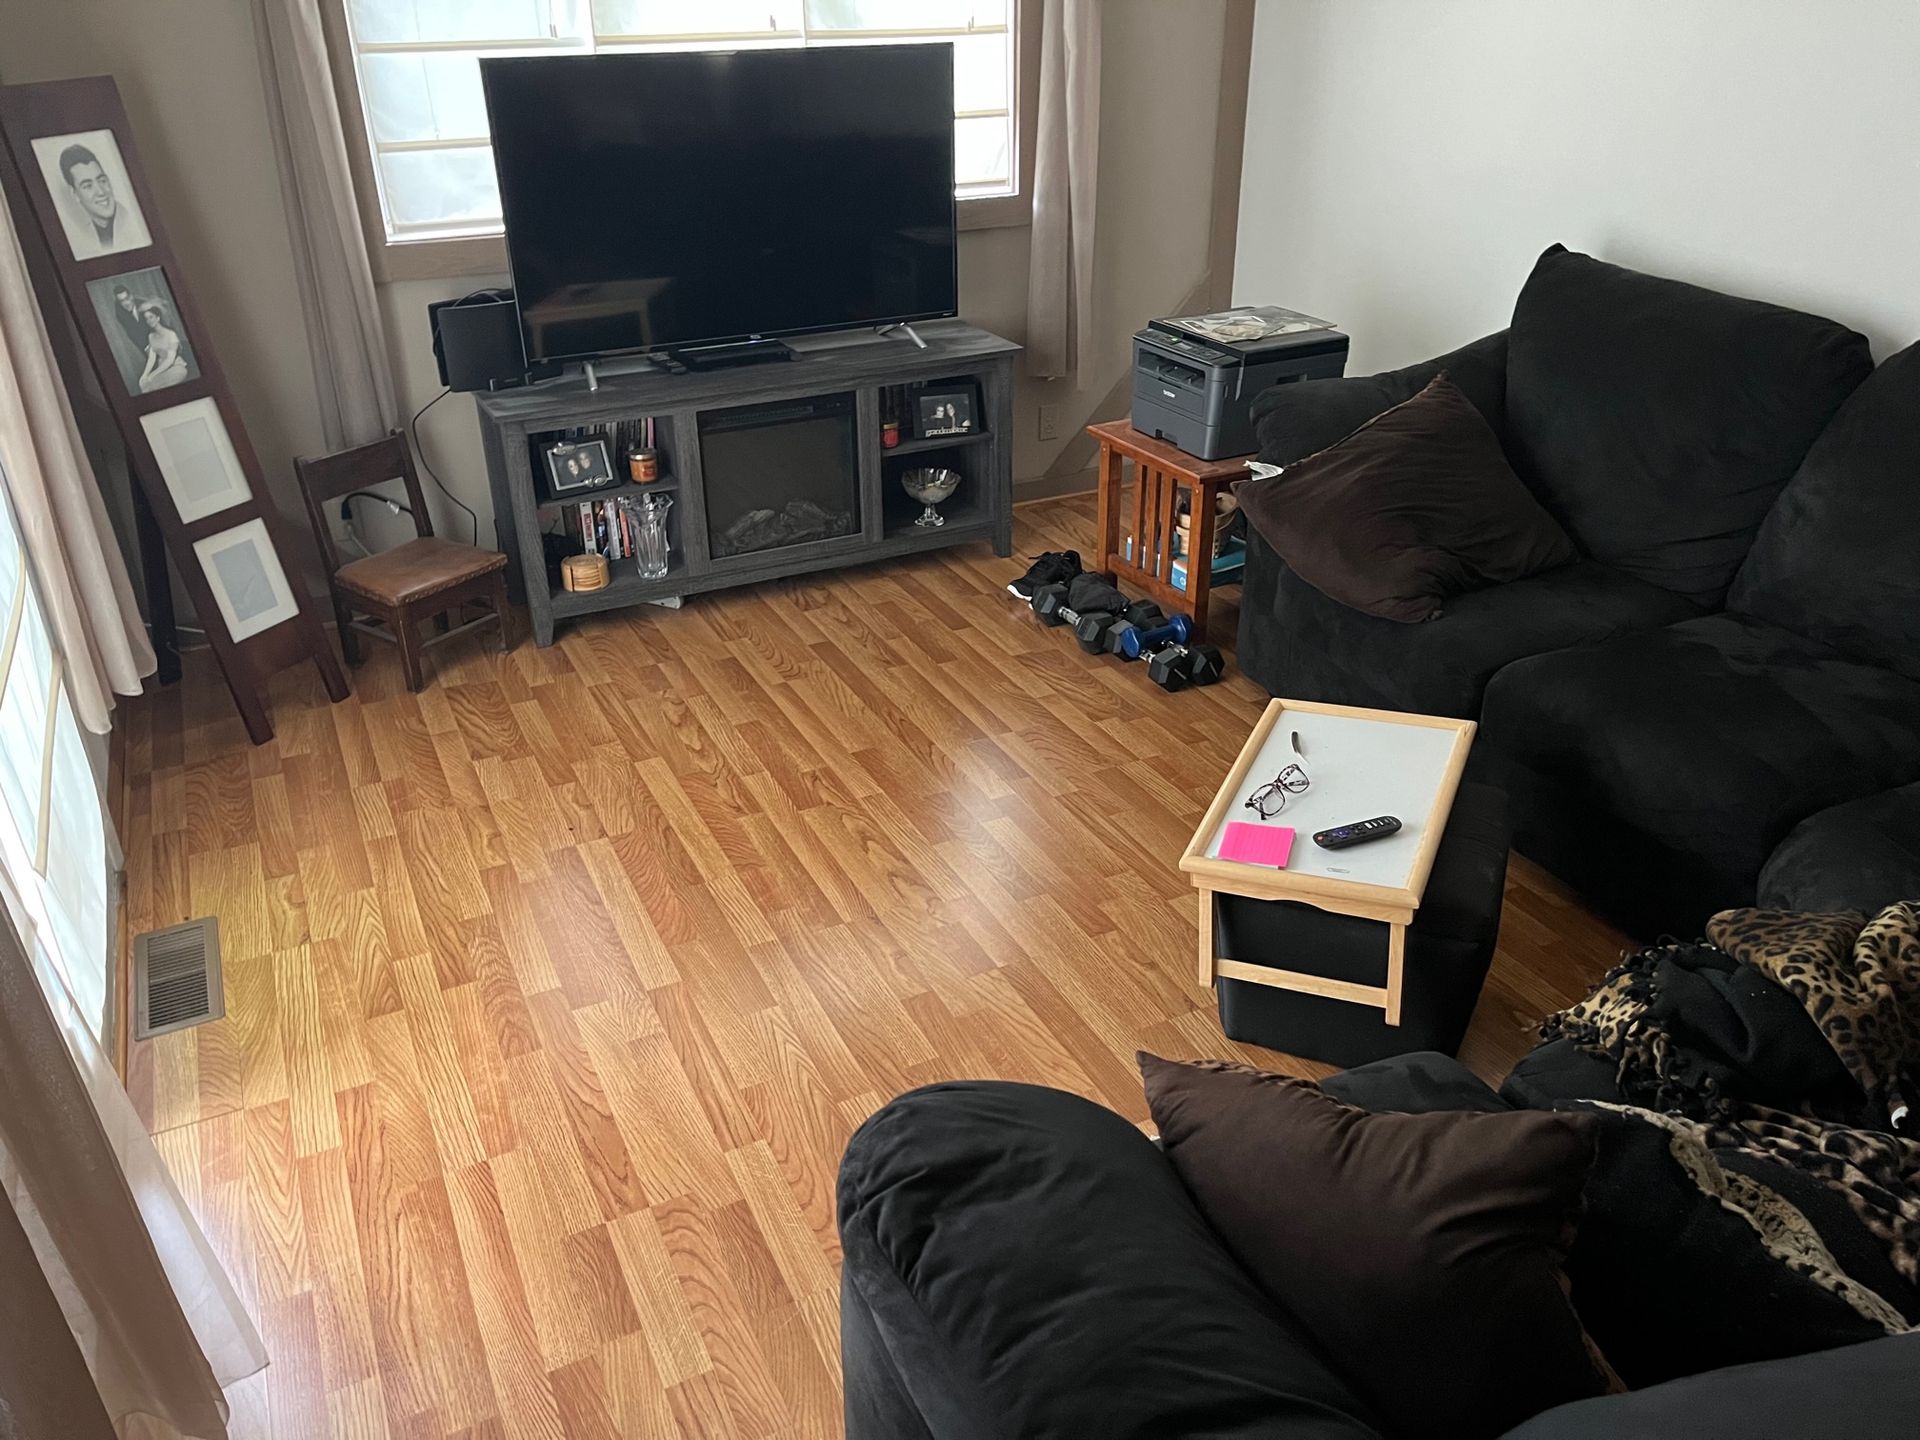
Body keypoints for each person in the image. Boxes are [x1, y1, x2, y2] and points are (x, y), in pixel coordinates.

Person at [59, 144, 122, 253]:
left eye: (102, 181)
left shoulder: (133, 223)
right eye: (88, 186)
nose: (101, 192)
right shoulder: (76, 237)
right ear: (74, 194)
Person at [136, 301, 190, 393]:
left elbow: (170, 360)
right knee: (144, 384)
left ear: (158, 317)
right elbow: (152, 358)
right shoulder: (151, 336)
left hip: (176, 368)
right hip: (161, 369)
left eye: (151, 317)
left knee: (152, 386)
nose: (149, 321)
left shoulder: (171, 334)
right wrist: (144, 375)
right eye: (146, 319)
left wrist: (152, 375)